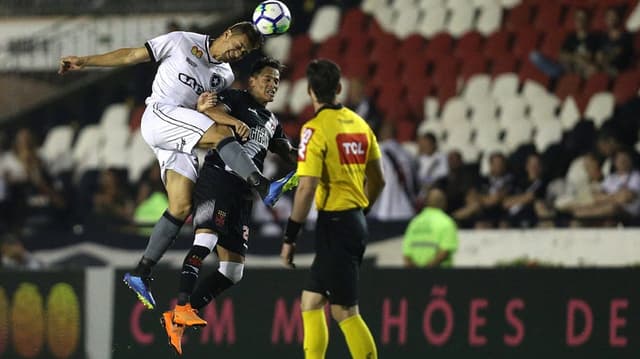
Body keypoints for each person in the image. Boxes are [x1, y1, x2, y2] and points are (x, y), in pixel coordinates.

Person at [59, 22, 270, 309]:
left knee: (181, 206)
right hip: (160, 115)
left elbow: (208, 109)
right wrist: (84, 61)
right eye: (238, 45)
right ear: (228, 33)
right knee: (223, 135)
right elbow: (131, 56)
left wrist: (206, 107)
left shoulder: (225, 75)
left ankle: (140, 272)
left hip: (179, 131)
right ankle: (264, 186)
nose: (238, 53)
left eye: (244, 52)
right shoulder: (181, 41)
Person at [160, 57, 297, 355]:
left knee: (233, 270)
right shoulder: (236, 98)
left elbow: (287, 151)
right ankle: (181, 304)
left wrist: (312, 158)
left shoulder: (272, 121)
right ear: (251, 80)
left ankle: (177, 317)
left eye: (276, 81)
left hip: (242, 194)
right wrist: (234, 122)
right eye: (267, 78)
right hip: (219, 178)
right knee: (206, 239)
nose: (273, 85)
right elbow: (209, 109)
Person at [279, 59, 385, 359]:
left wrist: (290, 236)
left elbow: (307, 187)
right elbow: (378, 180)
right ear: (339, 88)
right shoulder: (360, 124)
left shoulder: (314, 130)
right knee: (311, 301)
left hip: (336, 225)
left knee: (345, 311)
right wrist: (361, 211)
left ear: (310, 92)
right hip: (350, 222)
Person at [529, 8, 599, 78]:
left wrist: (575, 58)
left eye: (582, 18)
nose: (579, 20)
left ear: (588, 20)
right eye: (577, 18)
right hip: (564, 69)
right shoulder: (571, 37)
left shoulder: (593, 38)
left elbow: (589, 57)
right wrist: (575, 58)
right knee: (534, 55)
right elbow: (561, 55)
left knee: (592, 69)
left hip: (582, 69)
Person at [403, 188, 458, 268]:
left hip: (415, 276)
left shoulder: (415, 222)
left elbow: (407, 254)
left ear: (426, 202)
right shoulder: (447, 222)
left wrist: (417, 272)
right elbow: (445, 251)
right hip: (440, 276)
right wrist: (427, 269)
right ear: (444, 202)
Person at [596, 8, 634, 76]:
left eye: (613, 16)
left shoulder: (626, 36)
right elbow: (599, 54)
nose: (611, 19)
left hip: (619, 69)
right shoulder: (603, 36)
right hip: (603, 67)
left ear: (619, 18)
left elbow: (618, 52)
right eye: (608, 16)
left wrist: (604, 60)